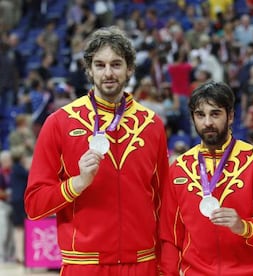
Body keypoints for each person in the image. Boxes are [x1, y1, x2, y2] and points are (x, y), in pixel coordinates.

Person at [24, 26, 170, 276]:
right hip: (84, 265)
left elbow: (165, 204)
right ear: (89, 70)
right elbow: (34, 205)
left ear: (130, 69)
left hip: (142, 263)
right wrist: (77, 184)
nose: (108, 73)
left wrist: (166, 266)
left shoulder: (152, 124)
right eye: (100, 65)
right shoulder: (59, 123)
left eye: (116, 64)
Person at [160, 81, 253, 275]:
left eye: (215, 113)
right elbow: (170, 238)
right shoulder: (179, 169)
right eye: (200, 115)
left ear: (230, 117)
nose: (208, 122)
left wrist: (244, 226)